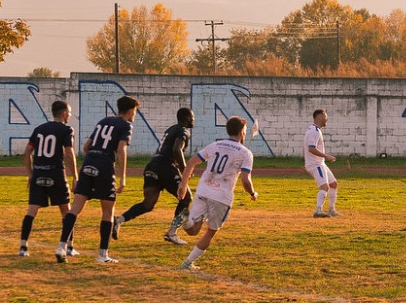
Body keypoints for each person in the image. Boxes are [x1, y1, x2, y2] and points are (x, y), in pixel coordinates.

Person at [56, 96, 137, 264]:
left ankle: (62, 246)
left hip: (89, 162)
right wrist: (122, 177)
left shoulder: (104, 121)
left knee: (75, 207)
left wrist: (94, 158)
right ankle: (102, 255)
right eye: (135, 111)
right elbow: (121, 149)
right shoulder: (126, 125)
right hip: (104, 166)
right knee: (108, 211)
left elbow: (86, 147)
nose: (134, 115)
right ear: (130, 111)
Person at [178, 115, 257, 271]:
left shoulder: (215, 145)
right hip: (221, 196)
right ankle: (187, 263)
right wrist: (252, 193)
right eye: (245, 131)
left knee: (193, 230)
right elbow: (246, 180)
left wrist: (183, 183)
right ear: (242, 132)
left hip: (203, 189)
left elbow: (192, 162)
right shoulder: (245, 153)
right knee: (210, 232)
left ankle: (184, 218)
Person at [114, 107, 193, 245]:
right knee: (186, 197)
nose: (194, 119)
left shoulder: (171, 129)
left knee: (148, 204)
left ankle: (118, 220)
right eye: (192, 117)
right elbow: (176, 149)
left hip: (153, 165)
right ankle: (172, 233)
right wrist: (185, 170)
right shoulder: (183, 130)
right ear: (186, 118)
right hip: (165, 167)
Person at [20, 100, 78, 257]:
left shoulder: (39, 129)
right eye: (70, 112)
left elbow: (27, 153)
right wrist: (75, 175)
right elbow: (69, 152)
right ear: (65, 113)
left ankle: (23, 247)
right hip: (56, 173)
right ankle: (70, 247)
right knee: (66, 211)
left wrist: (30, 174)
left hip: (39, 173)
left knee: (32, 210)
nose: (70, 115)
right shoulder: (66, 129)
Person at [304, 108, 339, 218]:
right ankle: (318, 211)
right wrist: (326, 156)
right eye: (325, 116)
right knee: (325, 187)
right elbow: (311, 149)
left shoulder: (314, 130)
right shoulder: (314, 131)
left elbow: (307, 148)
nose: (327, 119)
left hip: (319, 163)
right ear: (319, 117)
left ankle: (331, 210)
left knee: (333, 184)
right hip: (316, 164)